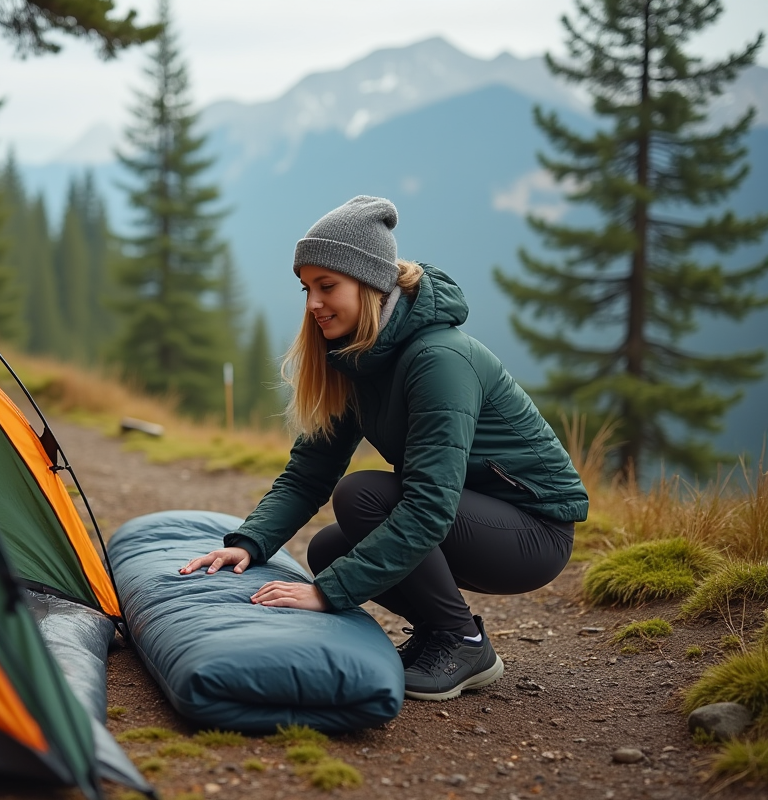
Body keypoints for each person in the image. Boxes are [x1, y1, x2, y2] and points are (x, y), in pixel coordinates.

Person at [180, 196, 589, 702]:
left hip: (533, 532)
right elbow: (309, 474)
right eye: (307, 288)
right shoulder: (357, 358)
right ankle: (436, 633)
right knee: (329, 549)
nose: (313, 304)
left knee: (362, 496)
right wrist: (248, 543)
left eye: (327, 286)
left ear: (371, 283)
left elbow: (430, 505)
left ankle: (462, 641)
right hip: (473, 518)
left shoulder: (438, 358)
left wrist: (326, 595)